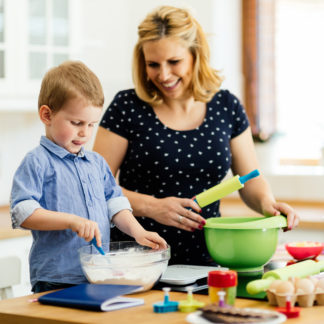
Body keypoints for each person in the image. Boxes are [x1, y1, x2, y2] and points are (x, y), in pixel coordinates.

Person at [93, 6, 299, 266]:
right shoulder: (126, 107)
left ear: (195, 55)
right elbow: (95, 186)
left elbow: (250, 179)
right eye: (153, 64)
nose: (164, 75)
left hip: (208, 260)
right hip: (137, 261)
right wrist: (152, 206)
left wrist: (268, 205)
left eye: (174, 62)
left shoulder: (227, 106)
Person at [10, 61, 167, 293]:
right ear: (47, 115)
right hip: (57, 277)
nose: (85, 133)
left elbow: (115, 204)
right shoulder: (37, 162)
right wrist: (71, 221)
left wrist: (138, 232)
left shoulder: (96, 163)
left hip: (98, 274)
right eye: (76, 123)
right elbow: (23, 212)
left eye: (92, 124)